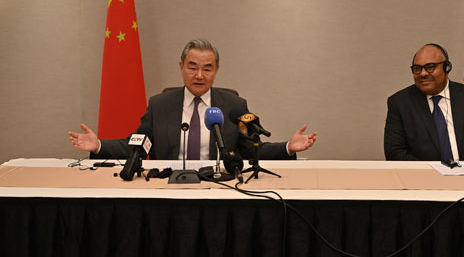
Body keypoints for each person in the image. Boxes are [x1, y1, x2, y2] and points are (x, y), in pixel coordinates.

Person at [69, 38, 317, 160]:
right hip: (168, 188)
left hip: (220, 188)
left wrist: (288, 147)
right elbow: (138, 145)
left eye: (207, 68)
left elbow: (252, 148)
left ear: (216, 70)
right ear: (181, 67)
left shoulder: (235, 106)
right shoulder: (159, 105)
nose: (199, 75)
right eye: (192, 67)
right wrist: (98, 145)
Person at [384, 43, 464, 161]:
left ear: (446, 68)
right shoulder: (400, 103)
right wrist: (428, 172)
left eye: (430, 67)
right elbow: (395, 152)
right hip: (425, 175)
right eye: (417, 69)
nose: (423, 73)